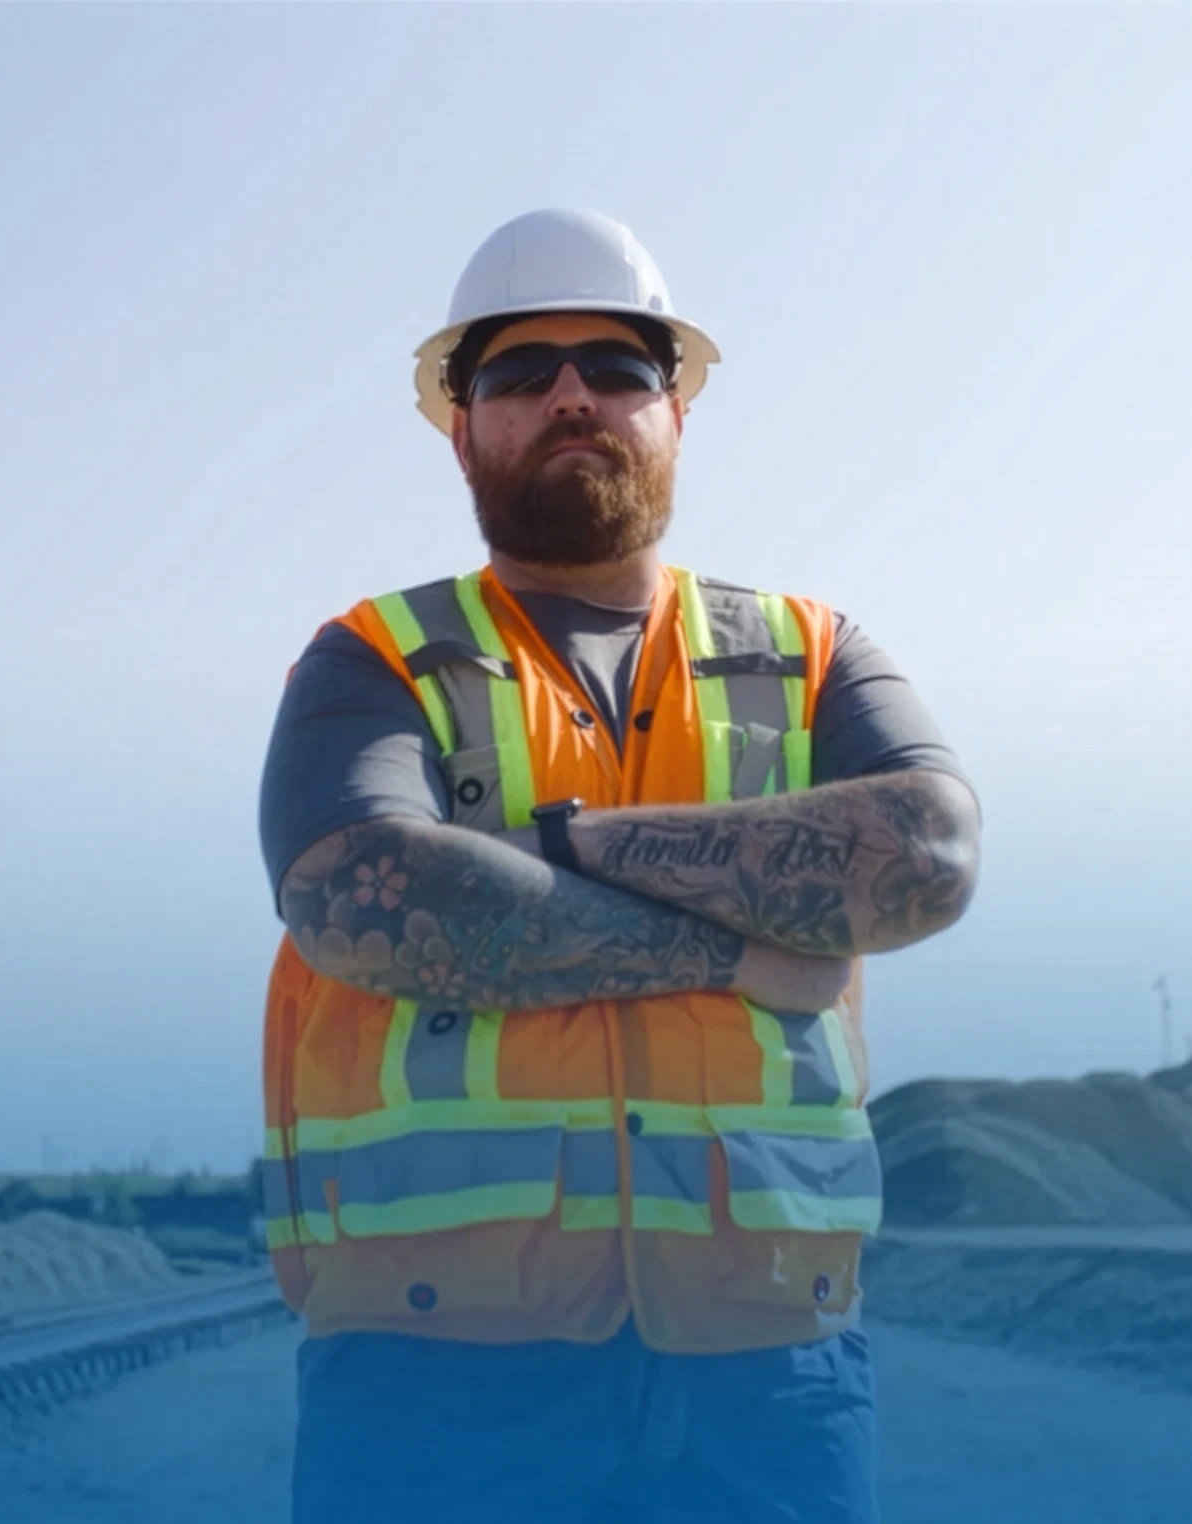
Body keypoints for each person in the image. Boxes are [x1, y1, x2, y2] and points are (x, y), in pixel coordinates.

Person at [257, 208, 981, 1524]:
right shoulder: (371, 659)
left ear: (677, 411)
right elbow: (361, 901)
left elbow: (922, 858)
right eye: (520, 374)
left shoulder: (811, 654)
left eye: (617, 366)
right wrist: (734, 948)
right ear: (459, 424)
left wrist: (550, 846)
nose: (571, 394)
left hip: (769, 1357)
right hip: (432, 1370)